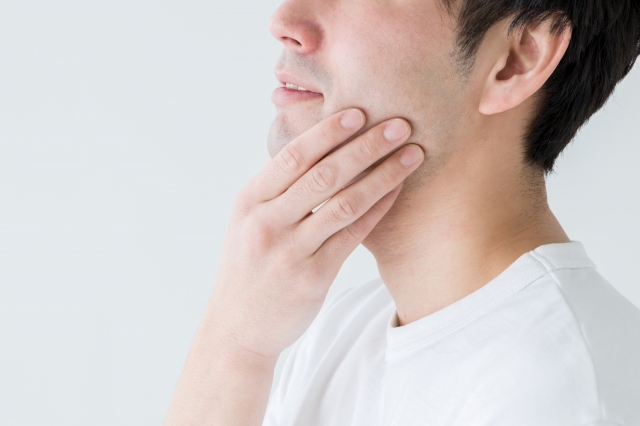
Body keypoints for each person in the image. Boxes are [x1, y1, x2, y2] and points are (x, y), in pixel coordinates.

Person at [163, 0, 640, 425]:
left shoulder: (562, 394)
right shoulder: (342, 333)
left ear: (516, 60)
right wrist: (234, 346)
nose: (284, 22)